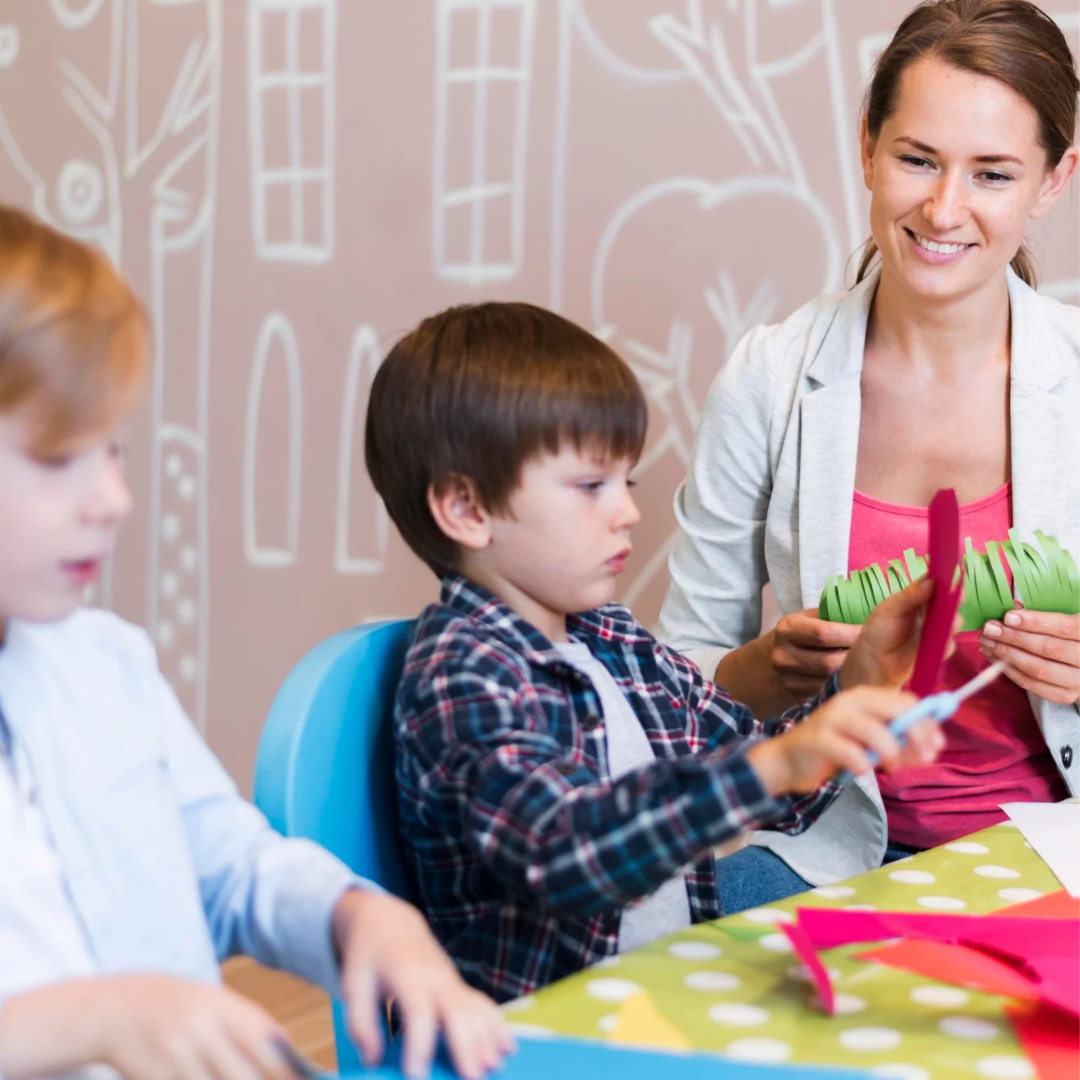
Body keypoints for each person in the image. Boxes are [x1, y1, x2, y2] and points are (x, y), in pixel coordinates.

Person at [0, 205, 511, 1080]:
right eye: (58, 460)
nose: (113, 499)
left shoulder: (103, 665)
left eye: (115, 451)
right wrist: (91, 1018)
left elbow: (230, 866)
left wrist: (359, 916)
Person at [364, 300, 945, 1003]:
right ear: (467, 510)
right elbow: (565, 854)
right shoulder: (463, 675)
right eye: (589, 488)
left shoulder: (609, 638)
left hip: (659, 1001)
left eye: (625, 483)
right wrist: (769, 767)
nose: (628, 511)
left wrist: (853, 692)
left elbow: (748, 774)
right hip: (545, 1040)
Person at [659, 0, 1079, 911]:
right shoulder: (769, 378)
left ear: (1054, 181)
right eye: (917, 159)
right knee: (680, 933)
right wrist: (780, 668)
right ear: (866, 148)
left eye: (993, 173)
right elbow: (680, 695)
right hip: (821, 844)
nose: (944, 208)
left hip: (1053, 848)